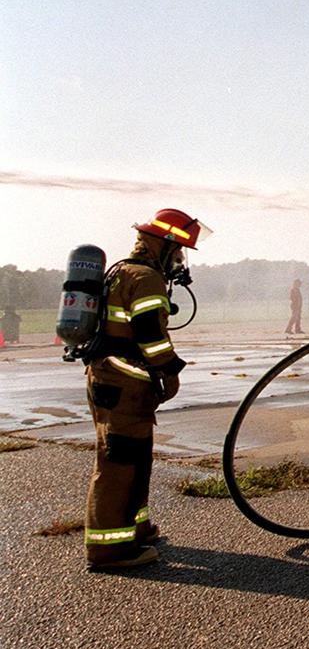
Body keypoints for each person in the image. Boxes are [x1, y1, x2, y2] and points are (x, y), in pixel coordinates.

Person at [84, 208, 209, 571]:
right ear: (164, 246)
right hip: (125, 384)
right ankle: (109, 549)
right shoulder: (147, 280)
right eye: (179, 251)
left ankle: (134, 529)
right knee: (119, 464)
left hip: (111, 381)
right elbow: (151, 337)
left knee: (135, 461)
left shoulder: (121, 272)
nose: (181, 260)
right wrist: (171, 372)